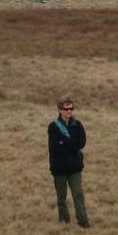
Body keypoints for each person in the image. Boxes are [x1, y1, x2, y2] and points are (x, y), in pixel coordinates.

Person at [47, 97, 90, 227]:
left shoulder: (78, 125)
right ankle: (64, 220)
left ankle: (83, 221)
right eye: (66, 109)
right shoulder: (53, 127)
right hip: (59, 168)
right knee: (61, 197)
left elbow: (81, 143)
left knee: (78, 194)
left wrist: (65, 142)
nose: (69, 111)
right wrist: (72, 145)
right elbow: (55, 147)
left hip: (74, 167)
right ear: (60, 110)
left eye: (71, 108)